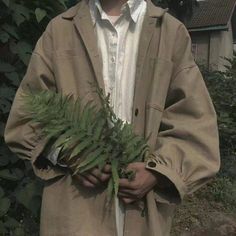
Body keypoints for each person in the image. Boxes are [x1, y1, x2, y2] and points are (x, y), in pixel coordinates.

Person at [4, 0, 220, 235]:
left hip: (143, 216)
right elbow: (26, 115)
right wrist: (70, 153)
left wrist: (157, 171)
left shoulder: (170, 33)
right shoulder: (59, 31)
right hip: (74, 214)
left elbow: (196, 125)